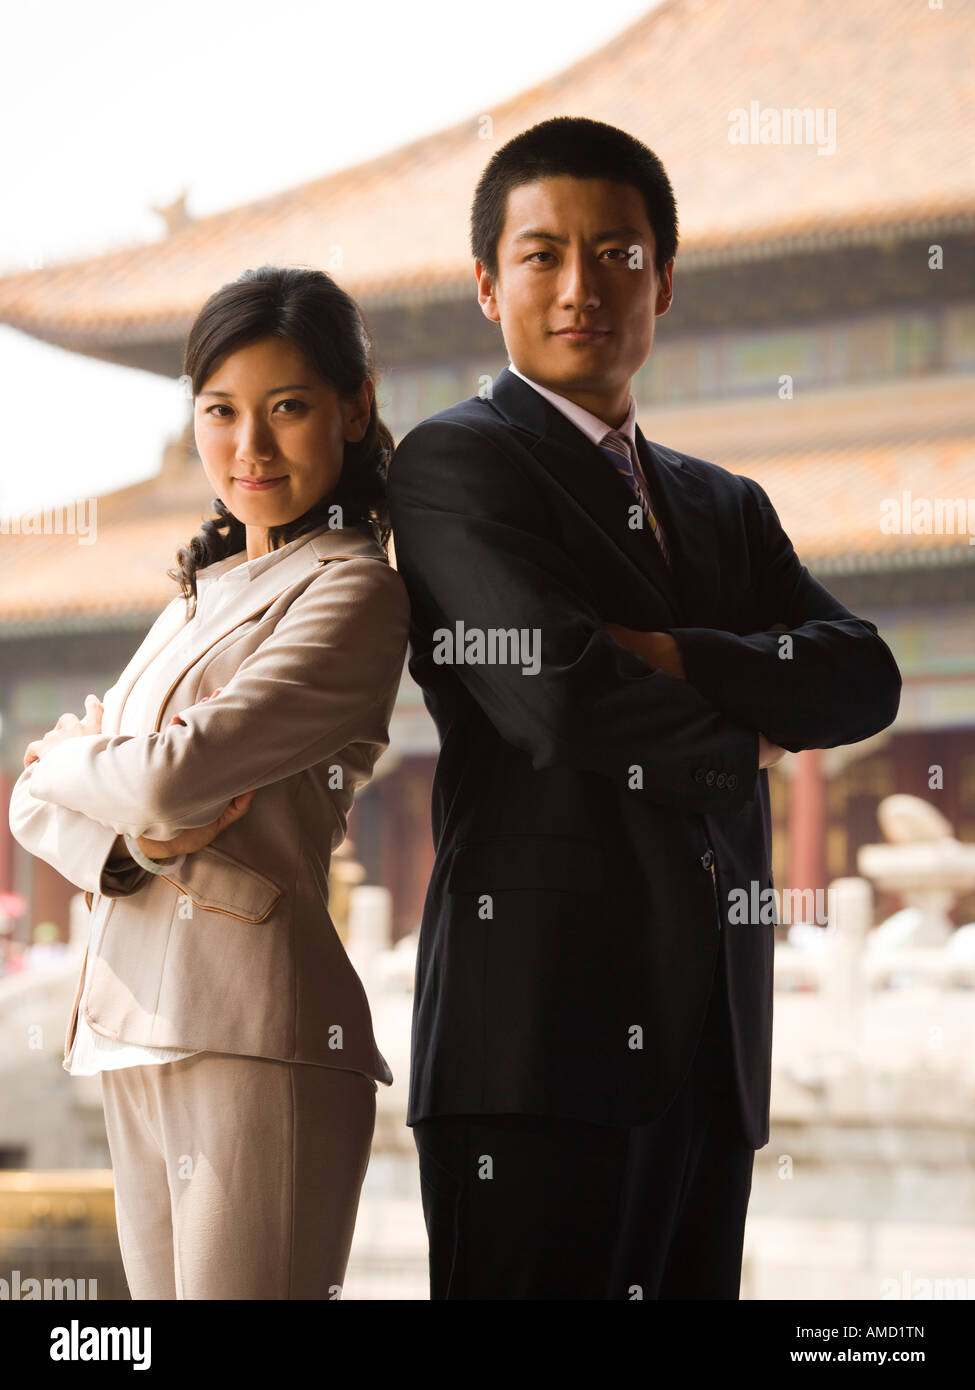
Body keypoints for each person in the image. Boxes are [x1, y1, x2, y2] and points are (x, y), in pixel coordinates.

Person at [386, 116, 902, 1300]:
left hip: (712, 1054)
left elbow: (863, 674)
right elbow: (558, 699)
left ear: (663, 281)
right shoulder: (457, 466)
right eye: (542, 255)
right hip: (531, 1049)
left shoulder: (725, 505)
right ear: (486, 283)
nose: (582, 288)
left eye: (616, 254)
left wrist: (667, 650)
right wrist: (755, 721)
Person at [8, 265, 410, 1299]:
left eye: (288, 409)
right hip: (130, 1027)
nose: (251, 448)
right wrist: (131, 841)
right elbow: (38, 805)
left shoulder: (353, 591)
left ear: (353, 409)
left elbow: (168, 773)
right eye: (221, 412)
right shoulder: (193, 598)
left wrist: (77, 761)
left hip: (259, 1035)